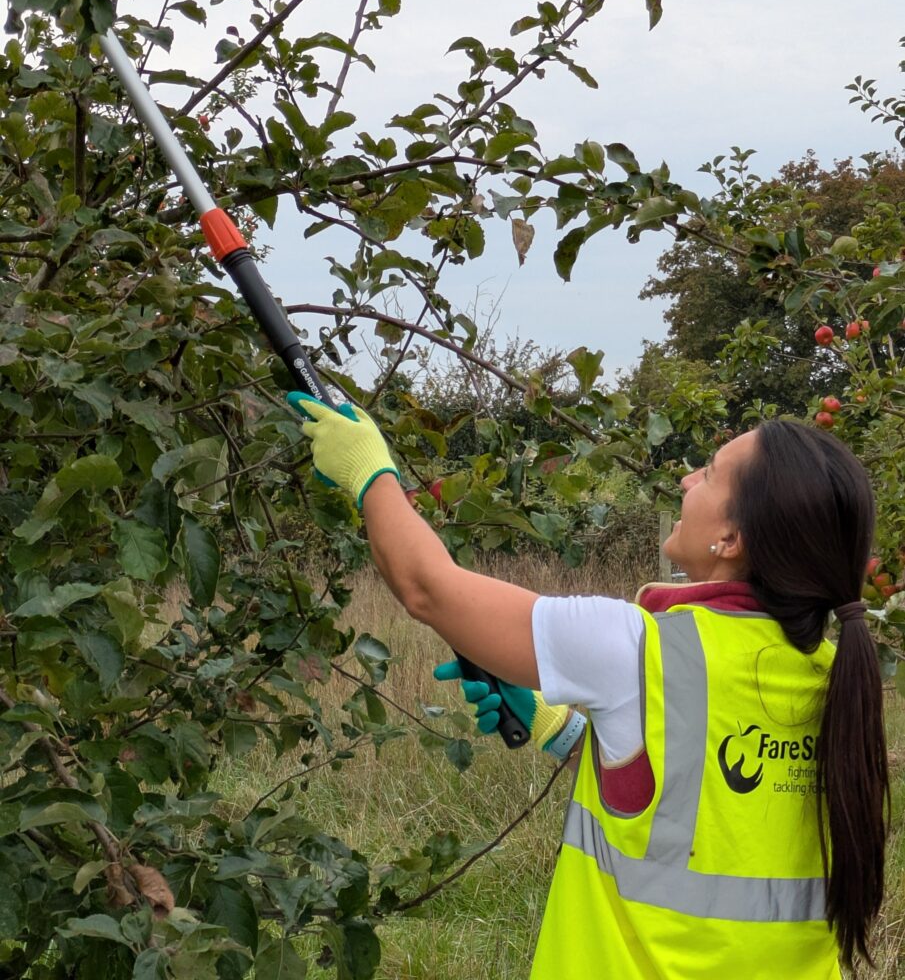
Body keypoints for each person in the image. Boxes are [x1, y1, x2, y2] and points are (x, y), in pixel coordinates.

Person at [288, 392, 889, 979]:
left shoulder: (636, 646)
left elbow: (427, 587)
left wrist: (370, 471)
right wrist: (566, 731)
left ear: (732, 540)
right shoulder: (838, 680)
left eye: (707, 474)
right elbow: (711, 812)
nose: (685, 481)